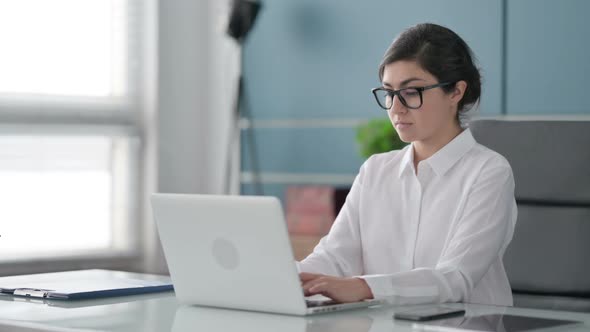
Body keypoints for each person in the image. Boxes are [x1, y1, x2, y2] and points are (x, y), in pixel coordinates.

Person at [297, 23, 517, 306]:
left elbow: (455, 278)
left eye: (411, 92)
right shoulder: (376, 170)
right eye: (389, 92)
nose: (395, 107)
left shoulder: (489, 172)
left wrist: (364, 287)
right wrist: (286, 276)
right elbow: (335, 257)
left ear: (456, 92)